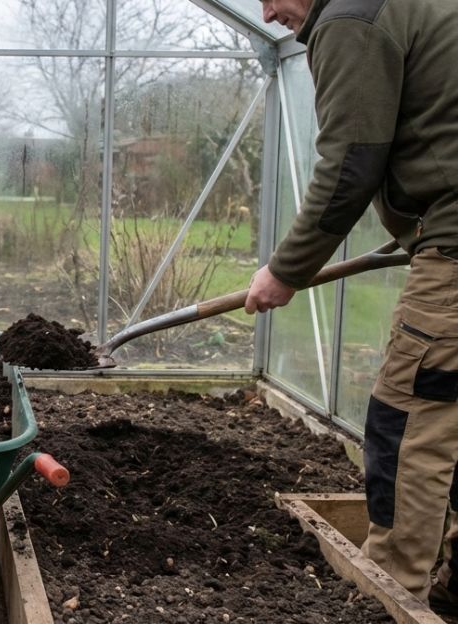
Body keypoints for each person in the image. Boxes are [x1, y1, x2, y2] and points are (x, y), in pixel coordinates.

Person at [250, 0, 458, 613]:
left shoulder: (350, 16)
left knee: (408, 420)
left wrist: (285, 270)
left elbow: (351, 161)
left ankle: (390, 596)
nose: (266, 14)